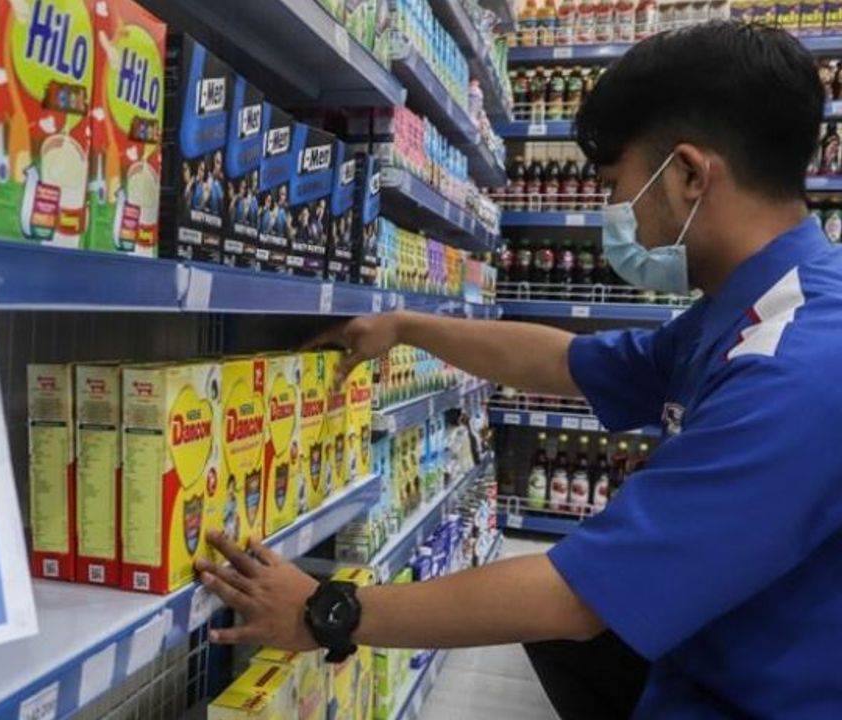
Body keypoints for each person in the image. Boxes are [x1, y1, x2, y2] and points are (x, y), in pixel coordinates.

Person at [197, 22, 842, 718]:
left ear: (689, 175)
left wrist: (326, 611)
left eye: (615, 185)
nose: (613, 213)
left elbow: (577, 598)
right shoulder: (744, 310)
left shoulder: (798, 371)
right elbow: (566, 361)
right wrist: (407, 327)